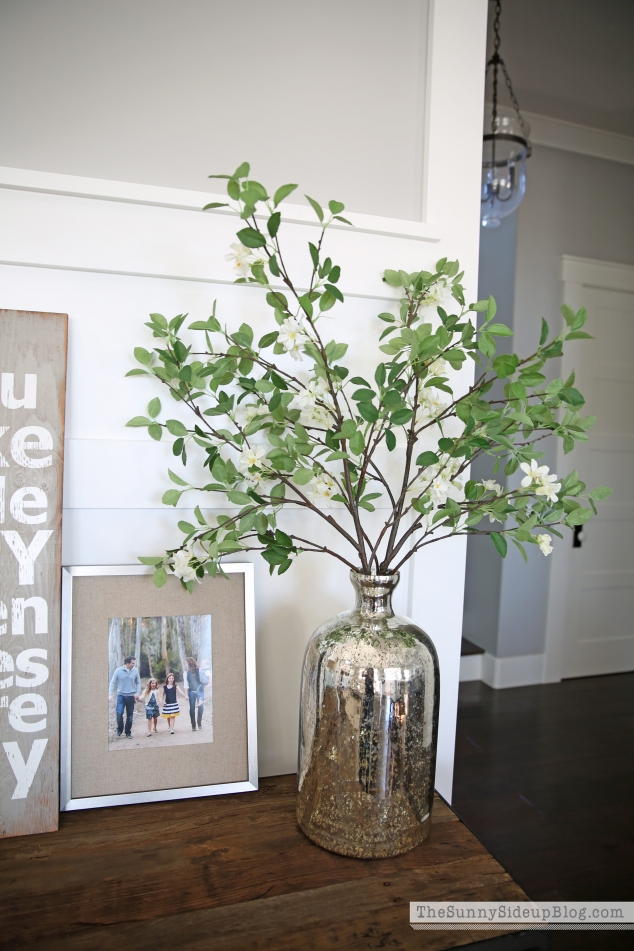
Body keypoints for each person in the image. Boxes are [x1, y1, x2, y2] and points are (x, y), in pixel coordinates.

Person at [108, 656, 141, 739]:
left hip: (130, 696)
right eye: (132, 663)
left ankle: (128, 732)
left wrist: (137, 693)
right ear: (127, 663)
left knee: (130, 716)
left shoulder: (135, 671)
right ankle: (119, 730)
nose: (134, 665)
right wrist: (110, 694)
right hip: (121, 696)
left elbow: (138, 682)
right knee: (119, 713)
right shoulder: (118, 671)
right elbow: (112, 682)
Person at [185, 657, 204, 731]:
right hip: (191, 692)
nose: (185, 664)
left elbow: (202, 680)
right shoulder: (186, 672)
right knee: (192, 708)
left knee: (201, 707)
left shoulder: (198, 670)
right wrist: (186, 694)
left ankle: (199, 721)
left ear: (189, 663)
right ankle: (193, 725)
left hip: (200, 691)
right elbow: (186, 684)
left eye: (186, 663)